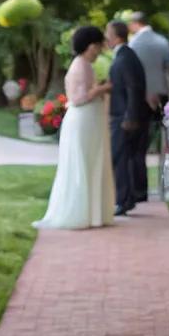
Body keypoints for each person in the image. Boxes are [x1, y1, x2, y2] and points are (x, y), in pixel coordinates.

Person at [34, 26, 115, 230]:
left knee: (91, 161)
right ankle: (83, 212)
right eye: (98, 46)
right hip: (83, 120)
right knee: (83, 163)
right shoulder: (80, 65)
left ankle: (93, 213)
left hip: (88, 121)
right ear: (90, 46)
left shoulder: (85, 65)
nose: (100, 50)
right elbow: (77, 99)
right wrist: (102, 89)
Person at [105, 20, 149, 216]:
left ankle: (122, 200)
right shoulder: (126, 55)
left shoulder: (125, 57)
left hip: (124, 116)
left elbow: (133, 88)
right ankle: (128, 198)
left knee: (120, 158)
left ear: (116, 36)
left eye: (108, 33)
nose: (106, 37)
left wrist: (130, 116)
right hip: (124, 114)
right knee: (125, 157)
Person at [127, 11, 169, 203]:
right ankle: (158, 188)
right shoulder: (162, 42)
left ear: (136, 24)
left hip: (140, 98)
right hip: (161, 97)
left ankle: (139, 190)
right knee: (157, 143)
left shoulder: (134, 43)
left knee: (137, 147)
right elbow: (167, 69)